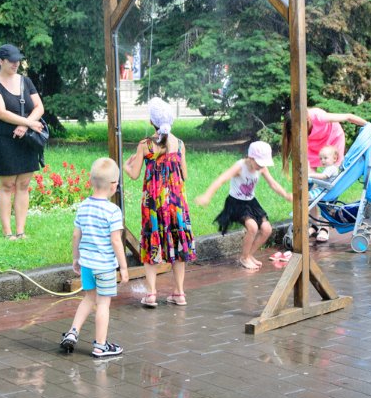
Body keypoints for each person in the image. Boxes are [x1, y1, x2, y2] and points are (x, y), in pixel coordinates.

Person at [124, 97, 196, 308]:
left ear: (151, 121)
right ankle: (179, 293)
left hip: (153, 205)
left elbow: (134, 174)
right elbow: (184, 175)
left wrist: (126, 166)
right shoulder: (180, 144)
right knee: (178, 245)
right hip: (176, 204)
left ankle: (151, 294)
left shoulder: (145, 145)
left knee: (151, 244)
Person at [60, 157, 130, 357]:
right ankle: (100, 345)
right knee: (103, 304)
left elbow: (76, 235)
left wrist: (76, 258)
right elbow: (116, 241)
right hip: (105, 266)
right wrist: (124, 267)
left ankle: (73, 332)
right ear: (114, 185)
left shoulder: (83, 206)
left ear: (91, 181)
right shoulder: (113, 211)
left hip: (87, 265)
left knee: (88, 298)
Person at [196, 141, 292, 270]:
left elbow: (273, 184)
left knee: (267, 229)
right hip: (236, 203)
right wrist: (207, 195)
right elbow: (221, 179)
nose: (261, 166)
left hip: (251, 202)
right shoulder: (240, 167)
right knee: (252, 227)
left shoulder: (262, 168)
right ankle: (244, 258)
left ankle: (249, 255)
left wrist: (286, 195)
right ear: (250, 157)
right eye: (259, 163)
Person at [0, 44, 45, 239]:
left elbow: (39, 107)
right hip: (4, 139)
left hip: (26, 138)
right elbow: (0, 113)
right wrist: (28, 122)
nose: (15, 63)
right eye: (11, 60)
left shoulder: (25, 81)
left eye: (18, 60)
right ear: (0, 61)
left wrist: (26, 126)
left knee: (24, 184)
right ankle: (7, 232)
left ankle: (20, 231)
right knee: (7, 184)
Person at [280, 107, 368, 241]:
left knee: (329, 185)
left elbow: (348, 116)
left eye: (300, 130)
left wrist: (370, 126)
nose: (298, 134)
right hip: (312, 146)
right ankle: (315, 225)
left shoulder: (318, 117)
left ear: (307, 120)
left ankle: (325, 227)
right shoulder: (297, 130)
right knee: (307, 185)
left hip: (332, 141)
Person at [307, 145, 341, 243]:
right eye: (321, 158)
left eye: (325, 158)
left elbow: (323, 176)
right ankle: (315, 225)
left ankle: (318, 226)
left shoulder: (332, 168)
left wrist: (309, 175)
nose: (323, 161)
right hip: (323, 190)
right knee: (309, 200)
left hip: (324, 191)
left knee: (306, 197)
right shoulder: (330, 168)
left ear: (334, 158)